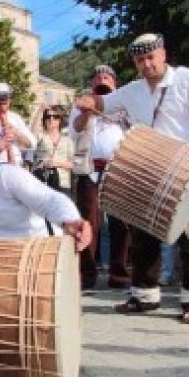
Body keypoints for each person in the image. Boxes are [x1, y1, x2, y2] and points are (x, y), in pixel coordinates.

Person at [79, 33, 189, 324]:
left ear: (163, 53)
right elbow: (103, 102)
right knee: (144, 236)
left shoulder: (188, 80)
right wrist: (86, 100)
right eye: (140, 59)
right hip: (151, 171)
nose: (146, 63)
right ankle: (144, 295)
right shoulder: (132, 90)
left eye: (151, 57)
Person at [69, 64, 127, 290]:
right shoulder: (82, 104)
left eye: (108, 77)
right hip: (90, 168)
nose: (103, 80)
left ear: (115, 82)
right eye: (98, 77)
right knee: (89, 222)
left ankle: (119, 275)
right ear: (92, 83)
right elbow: (75, 131)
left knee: (121, 222)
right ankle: (87, 275)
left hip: (119, 167)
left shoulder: (124, 103)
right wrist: (88, 111)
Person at [33, 105, 75, 197]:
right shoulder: (41, 137)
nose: (51, 119)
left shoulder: (68, 140)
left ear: (60, 120)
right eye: (48, 117)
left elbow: (73, 164)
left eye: (55, 117)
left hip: (62, 182)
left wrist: (57, 163)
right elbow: (34, 130)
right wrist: (40, 110)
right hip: (42, 179)